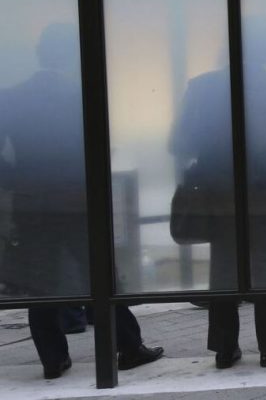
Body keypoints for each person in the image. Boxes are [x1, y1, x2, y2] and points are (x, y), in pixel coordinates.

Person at [0, 24, 163, 379]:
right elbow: (99, 147)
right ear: (70, 56)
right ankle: (129, 347)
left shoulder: (11, 97)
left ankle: (53, 359)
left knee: (39, 280)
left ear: (40, 54)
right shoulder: (81, 94)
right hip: (77, 202)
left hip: (33, 205)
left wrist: (18, 180)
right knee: (100, 275)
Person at [170, 16, 266, 370]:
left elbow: (179, 141)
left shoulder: (200, 87)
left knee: (223, 267)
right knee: (265, 268)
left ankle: (224, 348)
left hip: (217, 193)